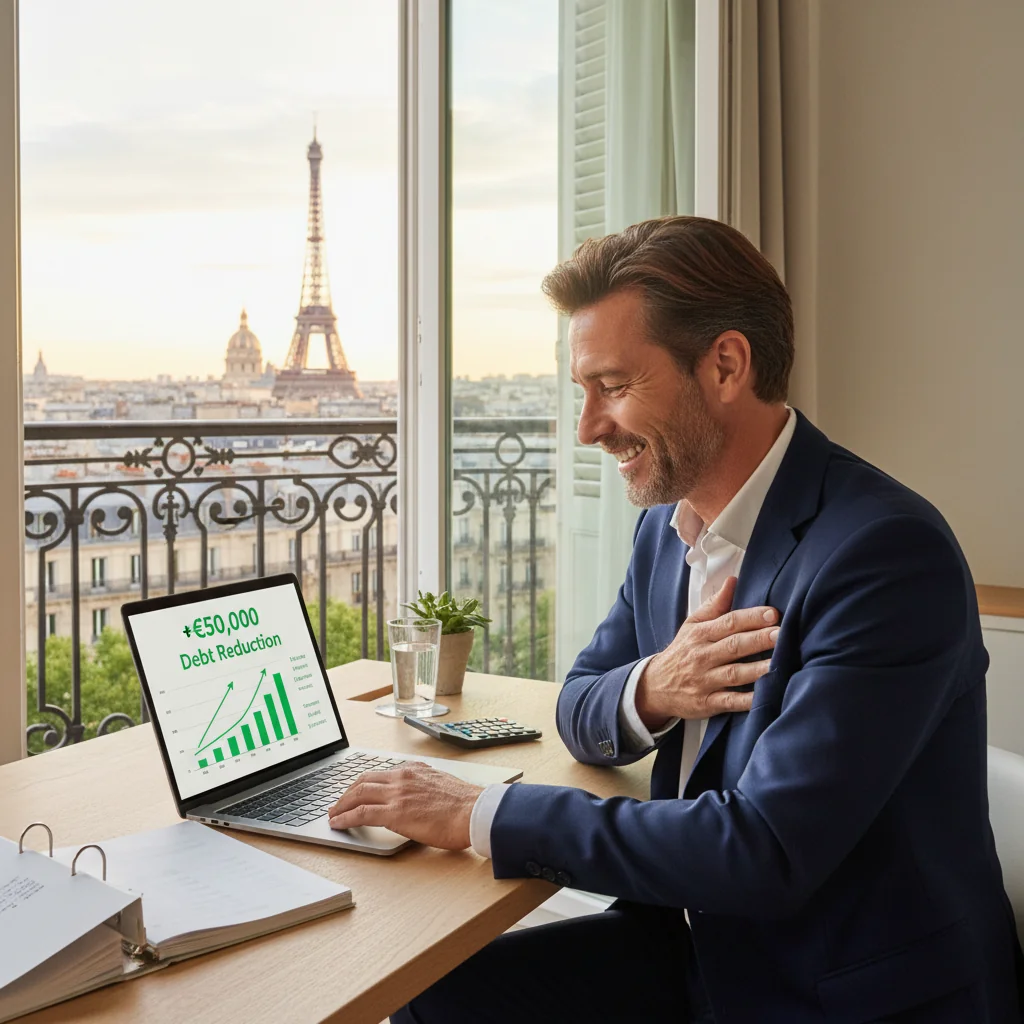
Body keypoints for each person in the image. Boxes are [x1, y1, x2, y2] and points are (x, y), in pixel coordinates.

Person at [328, 216, 1024, 1022]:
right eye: (582, 392)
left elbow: (764, 850)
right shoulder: (668, 527)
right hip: (701, 945)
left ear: (725, 364)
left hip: (839, 989)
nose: (589, 428)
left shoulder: (883, 554)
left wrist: (476, 811)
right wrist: (653, 687)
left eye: (615, 387)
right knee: (433, 999)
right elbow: (581, 700)